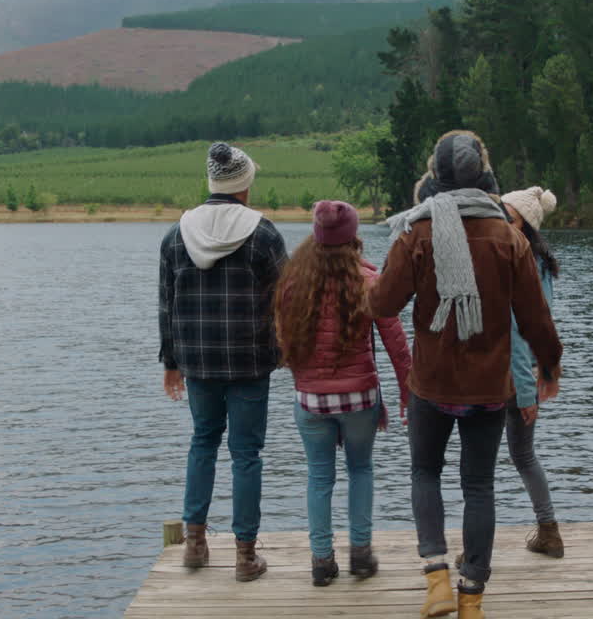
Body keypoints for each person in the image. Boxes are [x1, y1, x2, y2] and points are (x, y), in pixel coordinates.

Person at [370, 131, 563, 619]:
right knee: (478, 485)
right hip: (488, 387)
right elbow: (537, 318)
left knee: (424, 473)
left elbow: (383, 304)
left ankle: (436, 579)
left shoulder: (417, 233)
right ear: (482, 175)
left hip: (432, 383)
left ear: (436, 176)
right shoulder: (508, 236)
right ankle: (471, 599)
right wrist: (549, 366)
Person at [157, 142, 287, 583]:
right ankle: (245, 556)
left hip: (197, 362)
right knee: (246, 453)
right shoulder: (263, 234)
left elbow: (166, 306)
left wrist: (170, 362)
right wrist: (287, 351)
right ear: (244, 184)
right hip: (250, 361)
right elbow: (285, 300)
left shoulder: (176, 234)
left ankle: (195, 544)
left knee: (203, 442)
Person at [275, 200, 413, 587]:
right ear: (353, 237)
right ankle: (362, 554)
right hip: (360, 399)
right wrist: (407, 393)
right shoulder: (369, 281)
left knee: (319, 477)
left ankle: (321, 562)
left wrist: (308, 386)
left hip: (311, 401)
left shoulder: (291, 285)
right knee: (361, 470)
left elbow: (285, 343)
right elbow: (396, 344)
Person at [498, 186, 564, 557]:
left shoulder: (515, 262)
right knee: (524, 455)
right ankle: (549, 531)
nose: (500, 218)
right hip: (526, 373)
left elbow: (518, 332)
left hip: (508, 376)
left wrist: (526, 392)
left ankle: (478, 548)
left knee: (482, 466)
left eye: (507, 213)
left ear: (523, 222)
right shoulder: (540, 263)